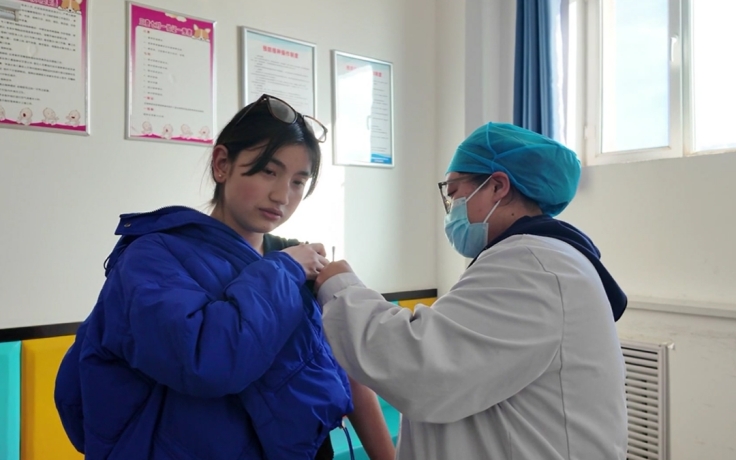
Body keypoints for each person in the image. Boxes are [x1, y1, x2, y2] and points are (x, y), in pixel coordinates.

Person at [54, 94, 395, 460]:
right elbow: (207, 359)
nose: (282, 195)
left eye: (299, 181)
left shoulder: (300, 261)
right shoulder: (153, 257)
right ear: (221, 164)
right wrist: (286, 269)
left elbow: (350, 372)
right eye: (269, 171)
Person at [313, 122, 629, 459]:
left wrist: (339, 286)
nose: (451, 209)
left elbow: (424, 369)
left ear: (497, 186)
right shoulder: (538, 260)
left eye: (453, 193)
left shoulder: (531, 264)